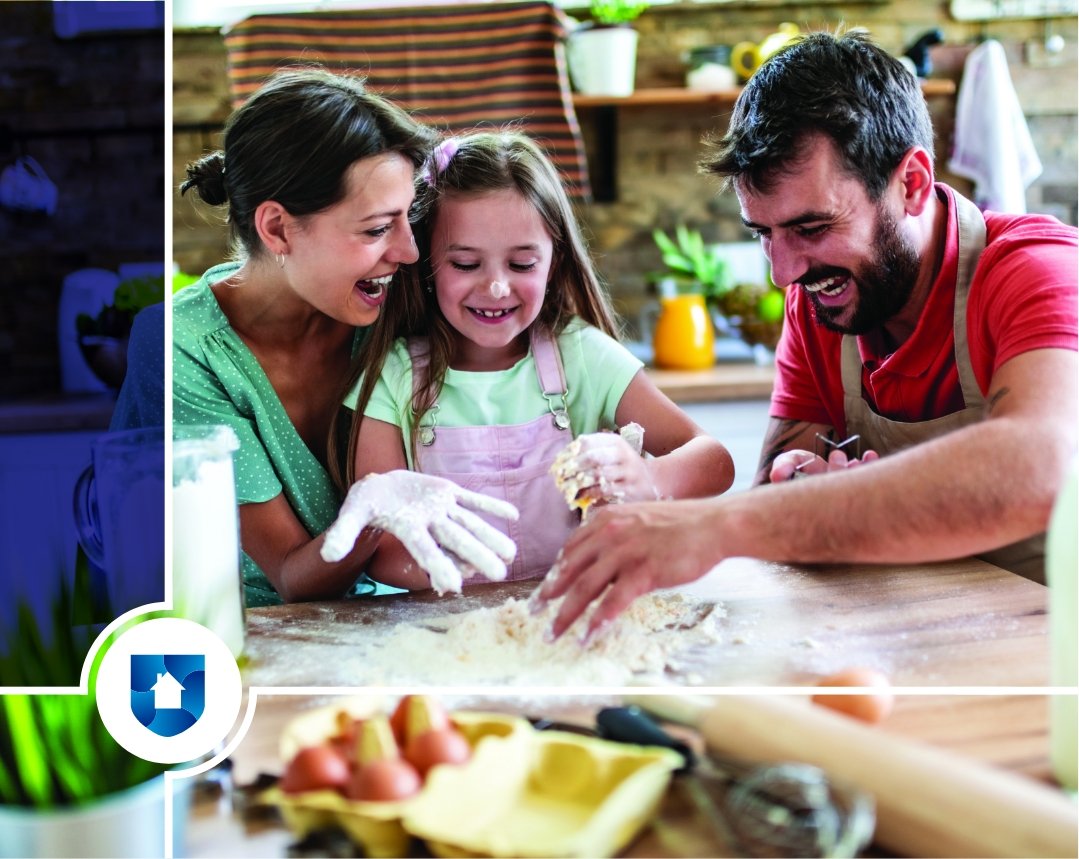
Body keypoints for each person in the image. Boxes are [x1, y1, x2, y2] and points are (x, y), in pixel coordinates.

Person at [535, 29, 1078, 641]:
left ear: (913, 184)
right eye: (763, 233)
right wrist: (801, 478)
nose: (784, 272)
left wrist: (713, 527)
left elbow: (1041, 466)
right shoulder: (823, 298)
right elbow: (777, 478)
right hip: (932, 637)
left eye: (812, 227)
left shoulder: (1036, 270)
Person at [175, 69, 518, 607]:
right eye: (377, 229)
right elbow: (292, 576)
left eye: (410, 217)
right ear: (277, 228)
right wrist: (374, 510)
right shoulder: (185, 354)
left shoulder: (391, 297)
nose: (408, 252)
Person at [336, 131, 735, 591]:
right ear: (425, 263)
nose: (496, 288)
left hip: (577, 614)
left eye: (522, 264)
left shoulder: (581, 356)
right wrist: (463, 572)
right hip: (447, 632)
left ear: (554, 261)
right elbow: (384, 556)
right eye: (466, 264)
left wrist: (649, 477)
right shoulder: (393, 377)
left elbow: (715, 460)